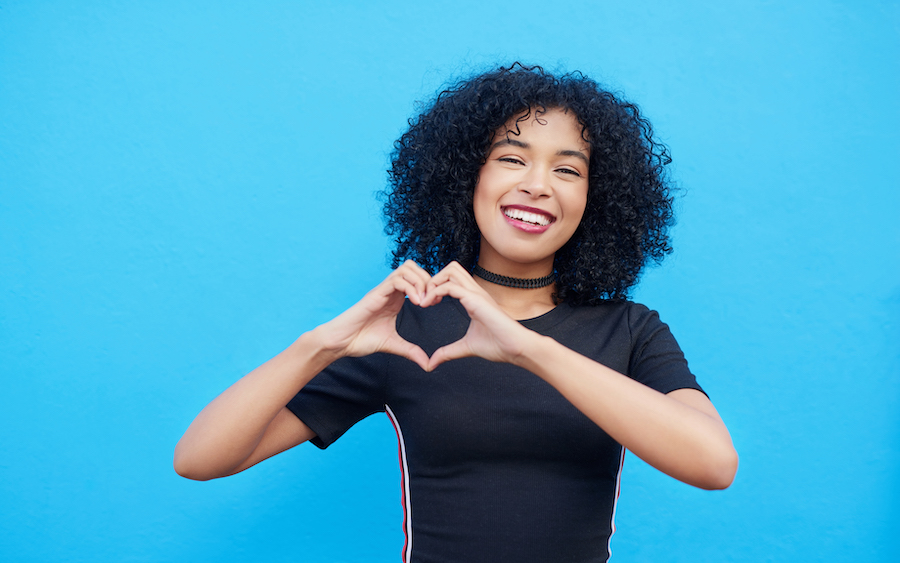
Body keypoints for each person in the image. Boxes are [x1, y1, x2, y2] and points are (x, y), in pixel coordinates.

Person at [174, 63, 738, 563]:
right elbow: (200, 459)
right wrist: (322, 346)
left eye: (568, 170)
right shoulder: (408, 332)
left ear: (598, 197)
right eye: (511, 159)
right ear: (466, 176)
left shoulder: (631, 330)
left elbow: (713, 464)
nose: (537, 185)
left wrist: (529, 349)